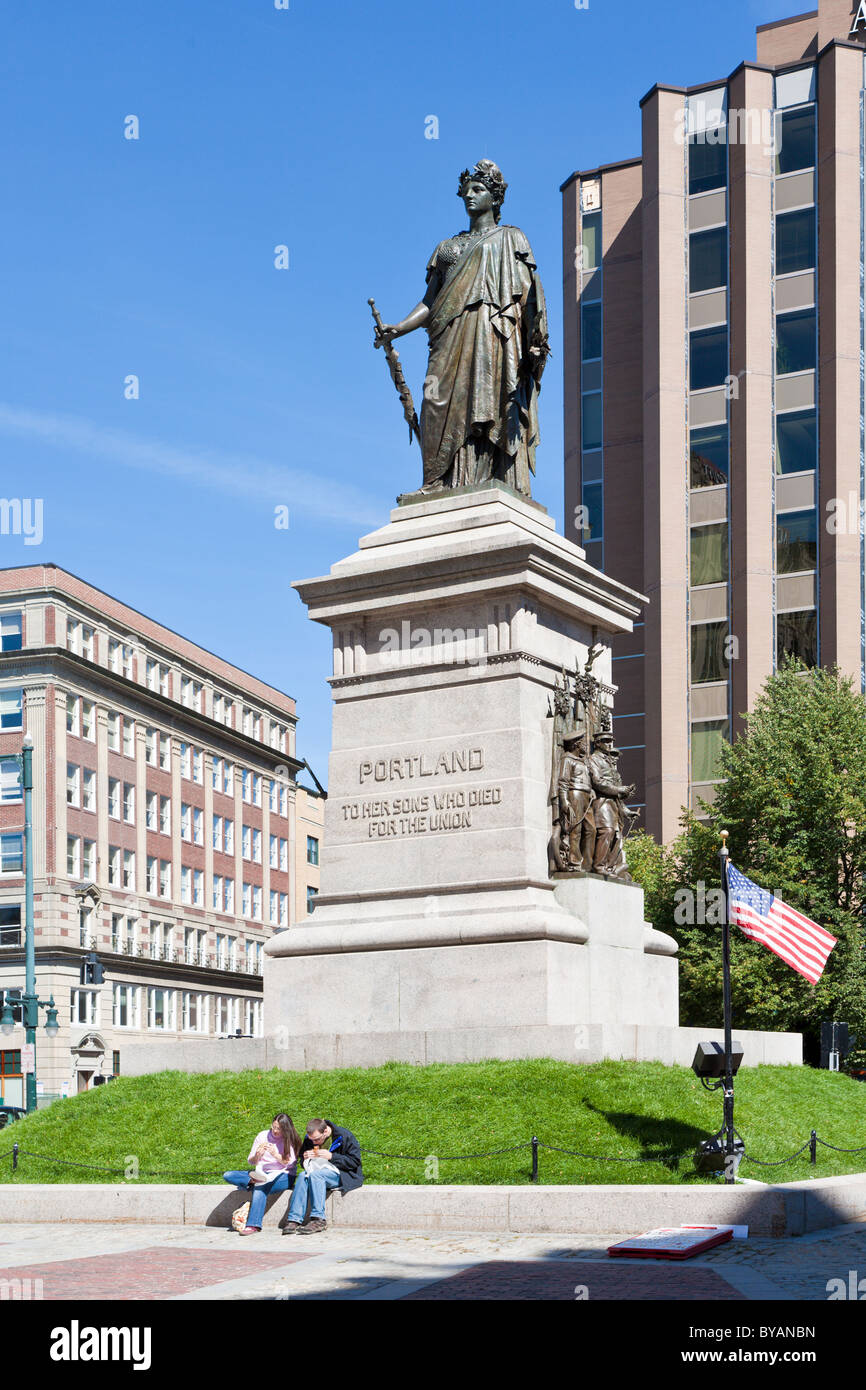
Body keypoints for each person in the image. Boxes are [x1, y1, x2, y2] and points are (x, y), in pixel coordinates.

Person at [376, 160, 549, 497]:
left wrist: (535, 339)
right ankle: (437, 481)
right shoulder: (447, 248)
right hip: (449, 337)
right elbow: (429, 303)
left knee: (487, 404)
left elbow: (529, 294)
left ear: (495, 198)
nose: (469, 195)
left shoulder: (510, 238)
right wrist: (398, 328)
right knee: (435, 403)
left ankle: (486, 476)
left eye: (478, 190)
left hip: (491, 335)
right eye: (466, 190)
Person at [223, 1112, 301, 1235]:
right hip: (262, 1172)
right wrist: (258, 1155)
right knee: (228, 1175)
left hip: (283, 1175)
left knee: (261, 1187)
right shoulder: (262, 1136)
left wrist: (275, 1154)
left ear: (285, 1129)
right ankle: (253, 1180)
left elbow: (289, 1164)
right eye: (273, 1127)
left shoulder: (289, 1139)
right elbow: (251, 1161)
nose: (275, 1131)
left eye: (279, 1129)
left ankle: (254, 1225)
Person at [283, 1118, 363, 1235]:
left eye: (316, 1139)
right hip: (318, 1171)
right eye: (311, 1140)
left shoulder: (344, 1136)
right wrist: (305, 1157)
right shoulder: (309, 1139)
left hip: (341, 1174)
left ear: (325, 1132)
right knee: (302, 1175)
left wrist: (331, 1156)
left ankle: (318, 1219)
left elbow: (354, 1162)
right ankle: (294, 1219)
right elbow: (303, 1162)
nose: (314, 1142)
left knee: (316, 1176)